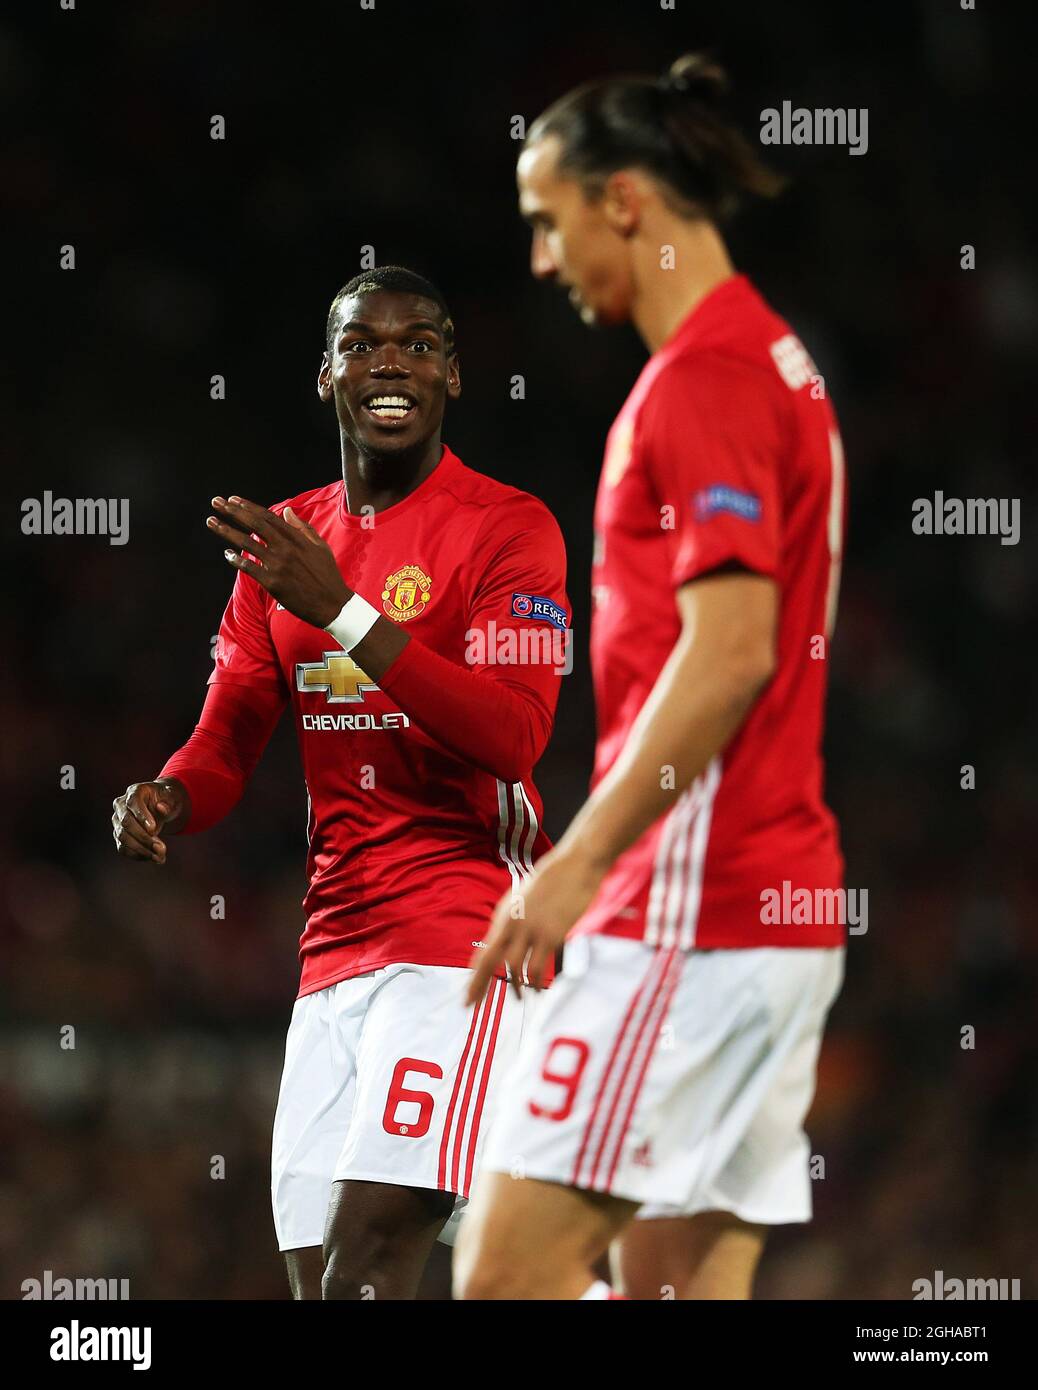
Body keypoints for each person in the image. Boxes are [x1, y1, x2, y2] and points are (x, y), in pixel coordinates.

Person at [455, 54, 847, 1301]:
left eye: (545, 219)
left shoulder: (707, 381)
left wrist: (574, 867)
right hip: (772, 916)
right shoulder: (777, 359)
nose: (540, 259)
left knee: (506, 1281)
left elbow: (729, 656)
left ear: (622, 199)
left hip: (692, 917)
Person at [111, 266, 569, 1300]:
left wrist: (348, 612)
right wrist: (168, 799)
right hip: (332, 959)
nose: (391, 362)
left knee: (370, 1259)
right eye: (363, 344)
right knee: (327, 1280)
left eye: (418, 342)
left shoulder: (509, 529)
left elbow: (515, 732)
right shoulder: (283, 545)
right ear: (327, 377)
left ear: (452, 372)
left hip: (463, 942)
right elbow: (225, 742)